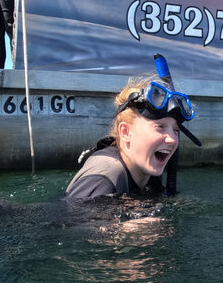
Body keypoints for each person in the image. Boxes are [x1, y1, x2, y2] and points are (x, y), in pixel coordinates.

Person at [66, 76, 198, 200]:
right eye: (160, 127)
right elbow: (67, 222)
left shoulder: (148, 172)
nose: (173, 139)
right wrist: (118, 225)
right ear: (125, 132)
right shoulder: (106, 177)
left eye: (175, 130)